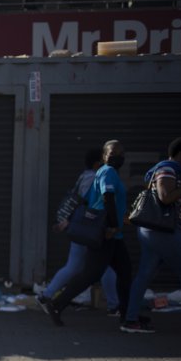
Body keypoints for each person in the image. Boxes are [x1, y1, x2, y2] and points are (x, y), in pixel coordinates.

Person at [42, 140, 133, 326]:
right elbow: (107, 198)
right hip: (106, 233)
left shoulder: (104, 173)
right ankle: (57, 303)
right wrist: (113, 225)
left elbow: (85, 201)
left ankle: (128, 315)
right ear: (104, 157)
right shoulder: (108, 172)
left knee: (124, 273)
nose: (119, 157)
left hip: (113, 235)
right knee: (91, 274)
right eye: (114, 153)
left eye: (121, 153)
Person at [121, 137, 181, 334]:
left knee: (145, 275)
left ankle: (130, 320)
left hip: (155, 232)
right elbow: (165, 197)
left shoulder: (176, 172)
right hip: (164, 232)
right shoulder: (168, 170)